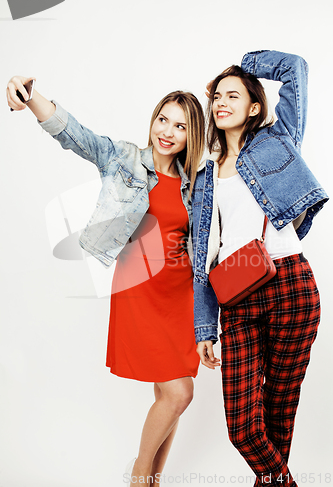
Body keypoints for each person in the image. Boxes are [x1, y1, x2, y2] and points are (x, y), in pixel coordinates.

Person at [6, 78, 205, 487]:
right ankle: (138, 477)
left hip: (180, 296)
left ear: (192, 134)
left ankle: (153, 480)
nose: (167, 132)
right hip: (142, 290)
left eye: (180, 126)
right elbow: (76, 136)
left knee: (170, 399)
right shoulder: (126, 159)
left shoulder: (196, 182)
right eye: (163, 120)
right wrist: (30, 97)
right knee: (179, 393)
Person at [191, 51, 328, 487]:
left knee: (278, 416)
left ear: (254, 107)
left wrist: (243, 63)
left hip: (291, 284)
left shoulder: (279, 138)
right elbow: (202, 257)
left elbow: (295, 69)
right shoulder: (205, 174)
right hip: (238, 295)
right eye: (217, 96)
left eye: (234, 95)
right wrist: (204, 326)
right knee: (244, 428)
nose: (221, 102)